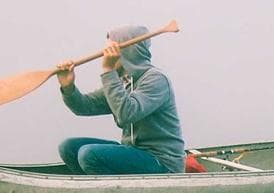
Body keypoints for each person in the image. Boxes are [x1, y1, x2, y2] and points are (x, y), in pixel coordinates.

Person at [56, 25, 187, 175]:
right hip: (135, 152)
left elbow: (127, 114)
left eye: (109, 51)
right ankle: (92, 190)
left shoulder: (156, 79)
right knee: (68, 147)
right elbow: (84, 106)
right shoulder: (123, 81)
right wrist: (68, 87)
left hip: (162, 161)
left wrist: (108, 71)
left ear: (126, 52)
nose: (104, 56)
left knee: (89, 154)